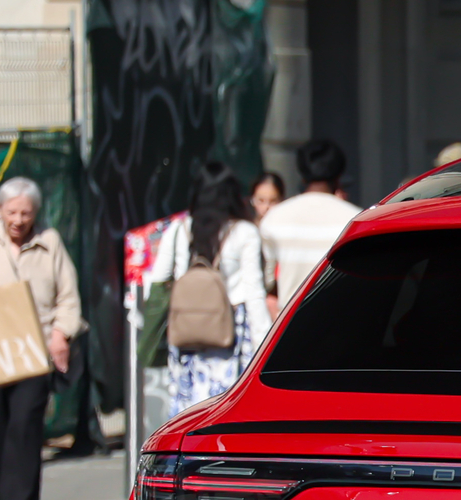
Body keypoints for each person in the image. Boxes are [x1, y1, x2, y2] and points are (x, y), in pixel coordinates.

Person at [0, 176, 84, 500]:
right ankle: (9, 499)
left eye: (26, 213)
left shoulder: (50, 242)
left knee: (25, 426)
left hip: (35, 351)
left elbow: (68, 296)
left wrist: (60, 335)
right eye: (12, 212)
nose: (18, 220)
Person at [150, 168, 269, 414]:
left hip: (187, 331)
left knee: (188, 411)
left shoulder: (179, 230)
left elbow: (158, 277)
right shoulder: (243, 233)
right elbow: (254, 292)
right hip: (230, 332)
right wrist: (265, 344)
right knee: (225, 411)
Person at [259, 138, 362, 313]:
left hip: (290, 323)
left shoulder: (274, 219)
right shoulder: (356, 219)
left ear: (302, 174)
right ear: (338, 177)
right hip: (340, 320)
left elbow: (270, 282)